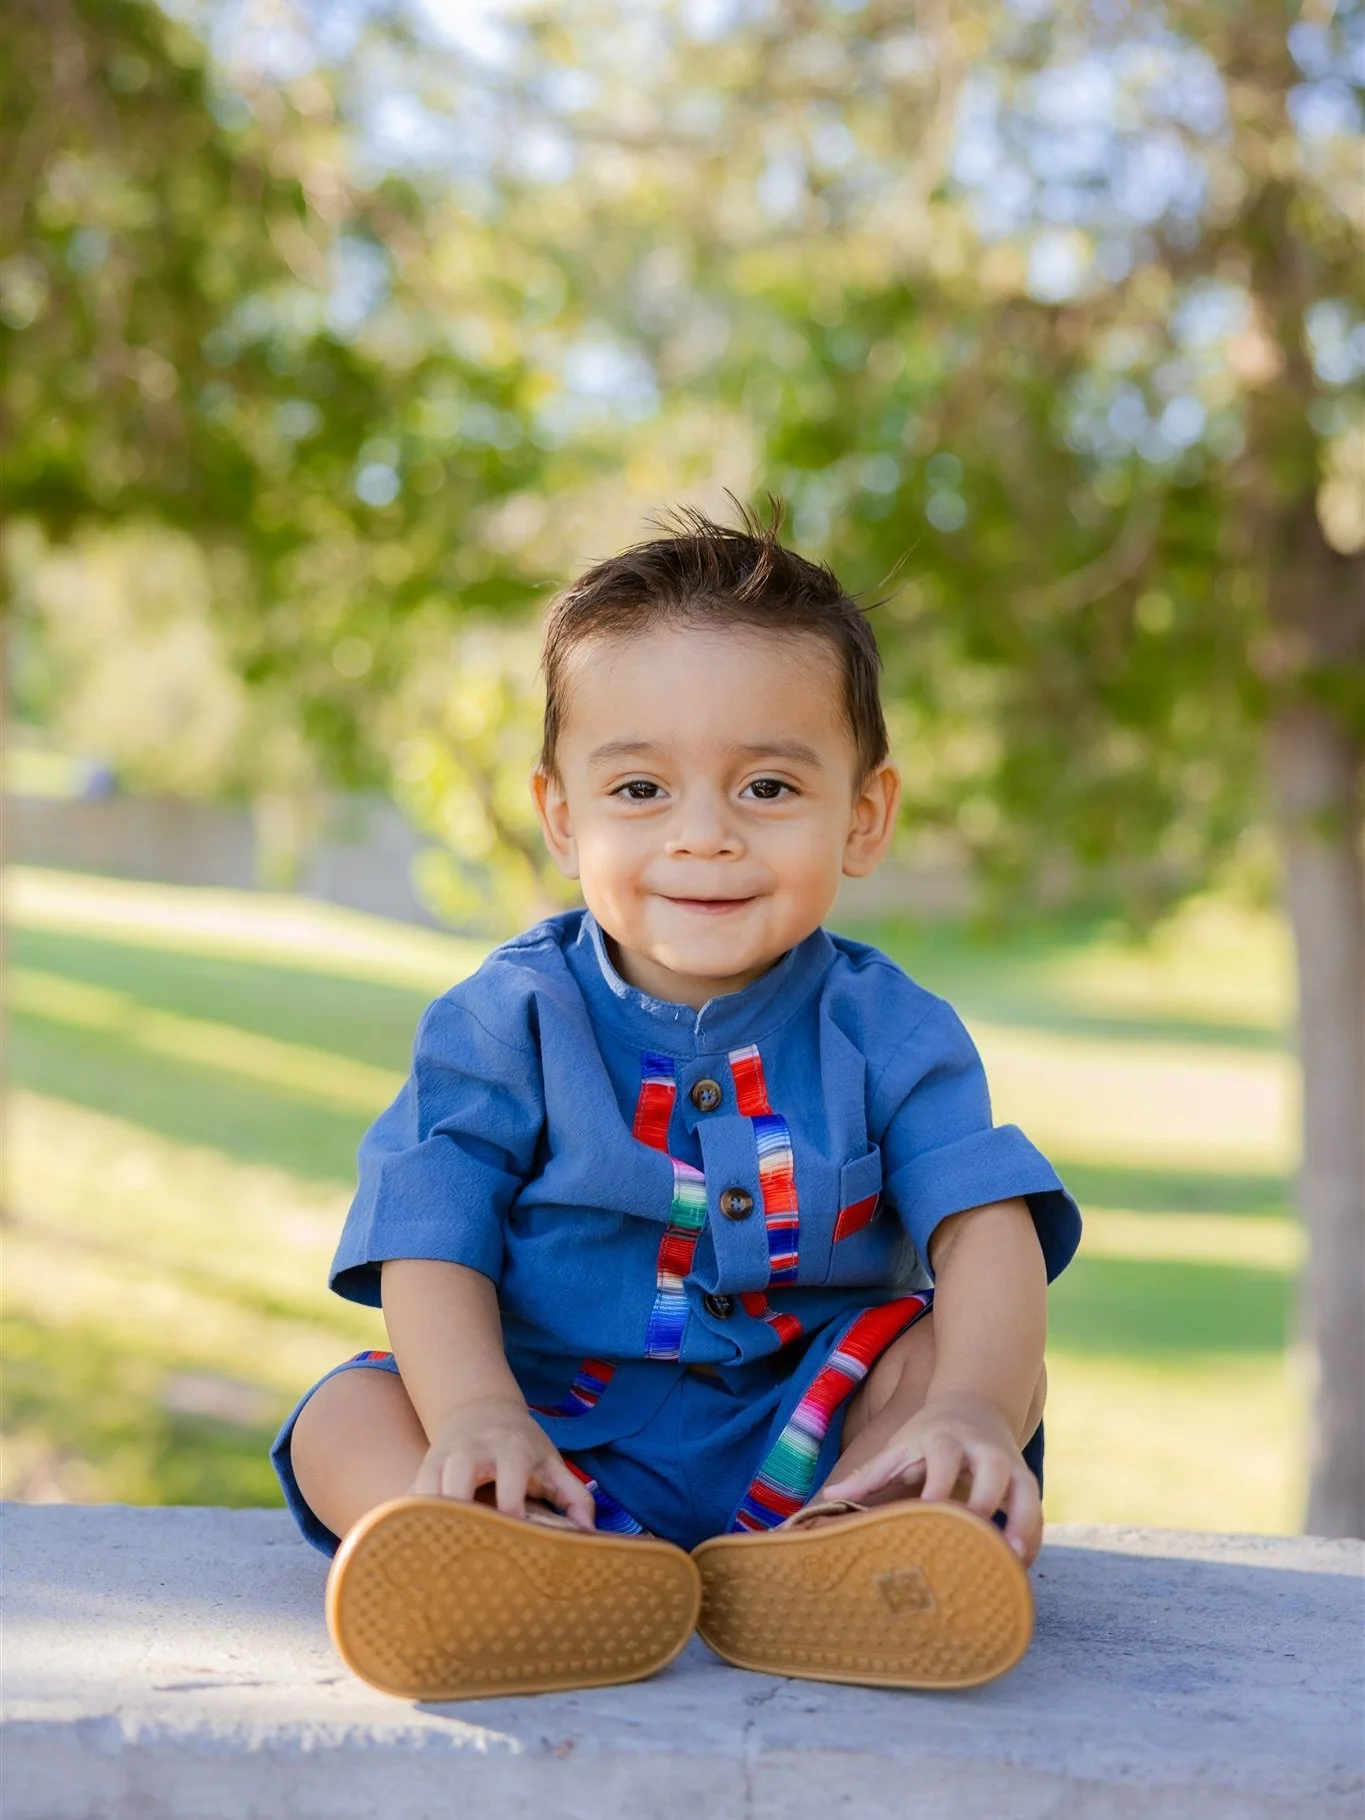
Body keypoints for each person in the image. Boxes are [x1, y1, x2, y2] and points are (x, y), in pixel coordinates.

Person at [272, 504, 1081, 1702]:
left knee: (948, 1357)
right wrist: (482, 1414)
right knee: (346, 1408)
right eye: (642, 787)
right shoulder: (509, 1017)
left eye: (765, 785)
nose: (704, 836)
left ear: (862, 815)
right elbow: (427, 1234)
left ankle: (854, 1551)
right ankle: (510, 1557)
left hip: (813, 1436)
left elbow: (983, 1223)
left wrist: (968, 1403)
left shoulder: (890, 1028)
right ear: (562, 815)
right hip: (549, 1434)